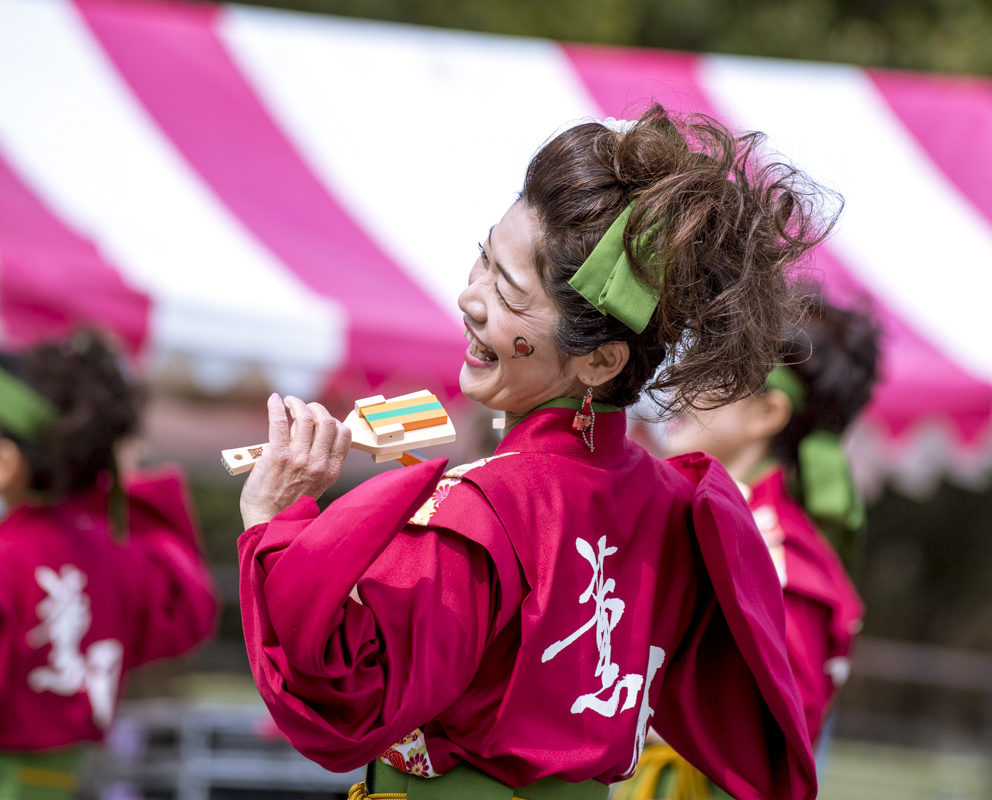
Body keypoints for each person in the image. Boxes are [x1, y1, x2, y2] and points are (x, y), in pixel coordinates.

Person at [235, 106, 835, 800]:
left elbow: (340, 697)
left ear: (599, 361)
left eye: (506, 290)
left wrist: (275, 522)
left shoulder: (483, 510)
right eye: (484, 258)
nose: (469, 296)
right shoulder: (679, 506)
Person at [621, 296, 878, 799]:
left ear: (767, 411)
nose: (678, 383)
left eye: (712, 366)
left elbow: (773, 756)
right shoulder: (703, 521)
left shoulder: (783, 564)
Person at [0, 332, 219, 799]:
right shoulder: (120, 549)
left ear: (6, 460)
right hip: (63, 780)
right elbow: (190, 613)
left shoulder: (8, 552)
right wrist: (123, 482)